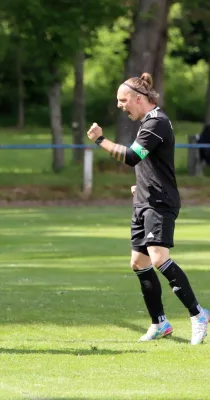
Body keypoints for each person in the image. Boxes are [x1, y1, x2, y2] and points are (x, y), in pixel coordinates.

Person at [86, 72, 208, 345]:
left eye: (123, 100)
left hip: (159, 202)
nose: (120, 105)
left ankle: (198, 314)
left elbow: (132, 157)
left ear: (139, 99)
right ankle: (160, 323)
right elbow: (148, 165)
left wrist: (99, 140)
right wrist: (139, 187)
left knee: (157, 258)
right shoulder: (147, 123)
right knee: (139, 263)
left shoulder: (157, 123)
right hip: (144, 200)